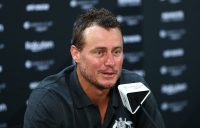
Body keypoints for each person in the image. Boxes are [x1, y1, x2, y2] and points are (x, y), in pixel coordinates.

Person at [23, 8, 165, 128]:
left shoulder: (135, 88)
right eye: (99, 52)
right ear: (75, 54)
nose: (110, 62)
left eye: (116, 52)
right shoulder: (48, 101)